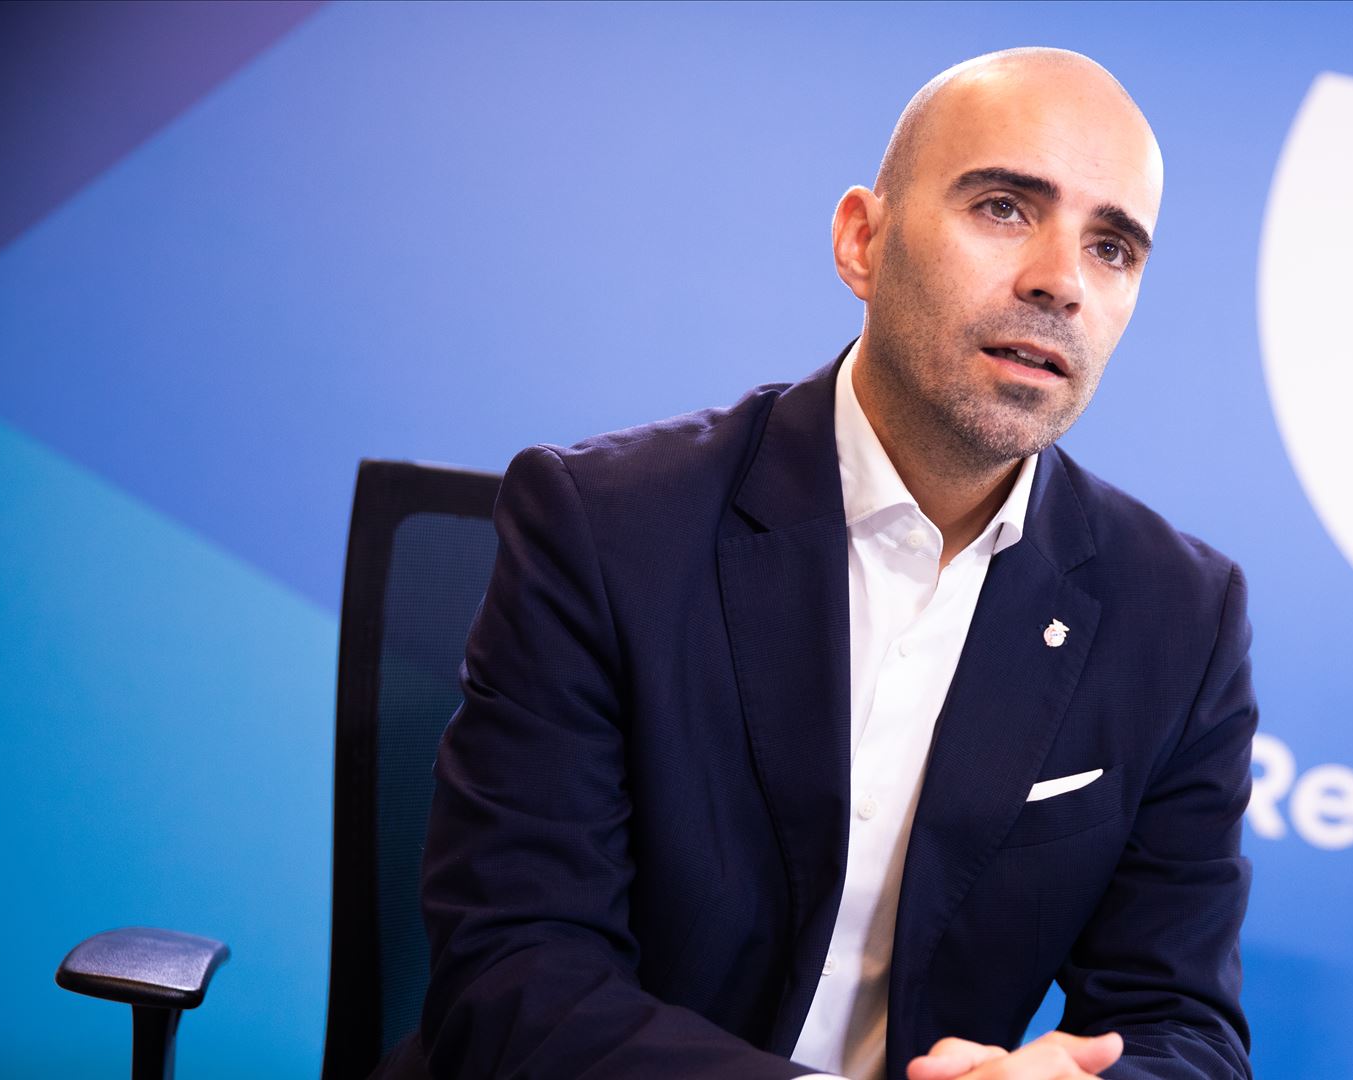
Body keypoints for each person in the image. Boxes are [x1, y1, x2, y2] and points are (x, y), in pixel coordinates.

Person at [416, 47, 1256, 1080]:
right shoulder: (604, 526)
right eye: (1003, 207)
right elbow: (515, 982)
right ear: (863, 241)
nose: (1061, 281)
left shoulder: (1179, 617)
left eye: (1113, 247)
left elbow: (1182, 1026)